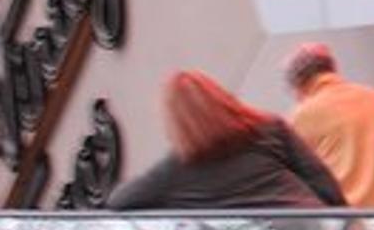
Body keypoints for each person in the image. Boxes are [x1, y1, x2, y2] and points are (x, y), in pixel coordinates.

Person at [110, 70, 345, 210]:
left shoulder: (173, 171)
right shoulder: (267, 127)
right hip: (315, 227)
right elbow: (323, 182)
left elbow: (118, 202)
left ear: (174, 124)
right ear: (220, 97)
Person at [284, 43, 374, 208]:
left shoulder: (303, 115)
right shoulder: (372, 96)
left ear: (300, 84)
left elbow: (294, 173)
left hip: (355, 218)